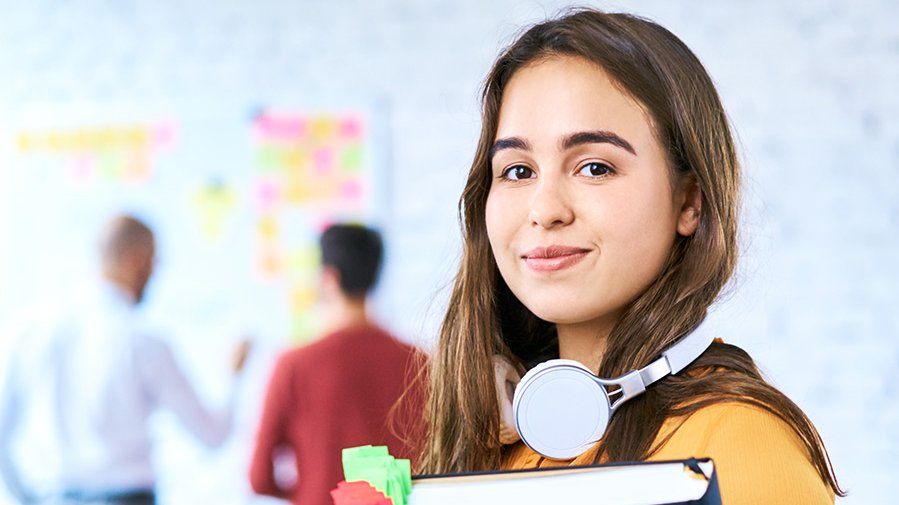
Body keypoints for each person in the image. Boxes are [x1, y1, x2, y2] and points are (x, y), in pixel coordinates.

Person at [421, 8, 843, 505]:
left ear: (688, 201)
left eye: (595, 167)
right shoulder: (499, 444)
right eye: (517, 171)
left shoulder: (740, 445)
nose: (545, 210)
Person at [0, 215, 249, 505]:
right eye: (153, 261)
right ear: (135, 259)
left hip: (54, 496)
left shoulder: (31, 330)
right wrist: (234, 376)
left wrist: (29, 499)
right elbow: (213, 436)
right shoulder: (143, 341)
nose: (155, 272)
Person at [249, 223, 424, 505]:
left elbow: (259, 477)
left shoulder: (293, 365)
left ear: (328, 277)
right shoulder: (420, 363)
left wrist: (310, 490)